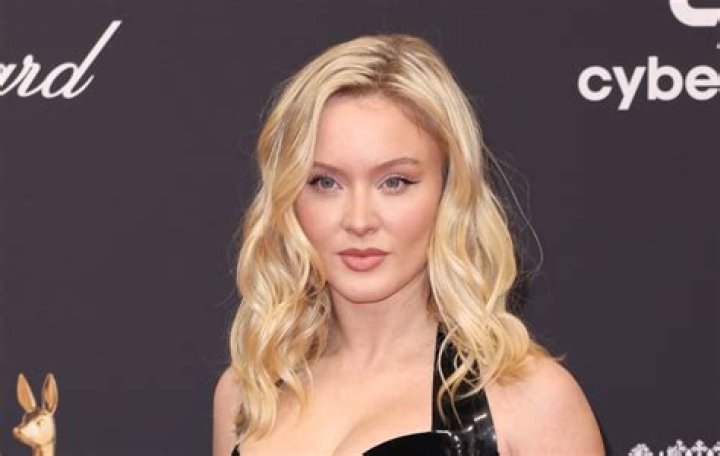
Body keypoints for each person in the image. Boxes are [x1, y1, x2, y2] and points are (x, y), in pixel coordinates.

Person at [213, 34, 604, 455]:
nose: (359, 220)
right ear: (289, 196)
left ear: (449, 192)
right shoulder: (248, 394)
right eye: (325, 182)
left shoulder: (529, 400)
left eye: (395, 182)